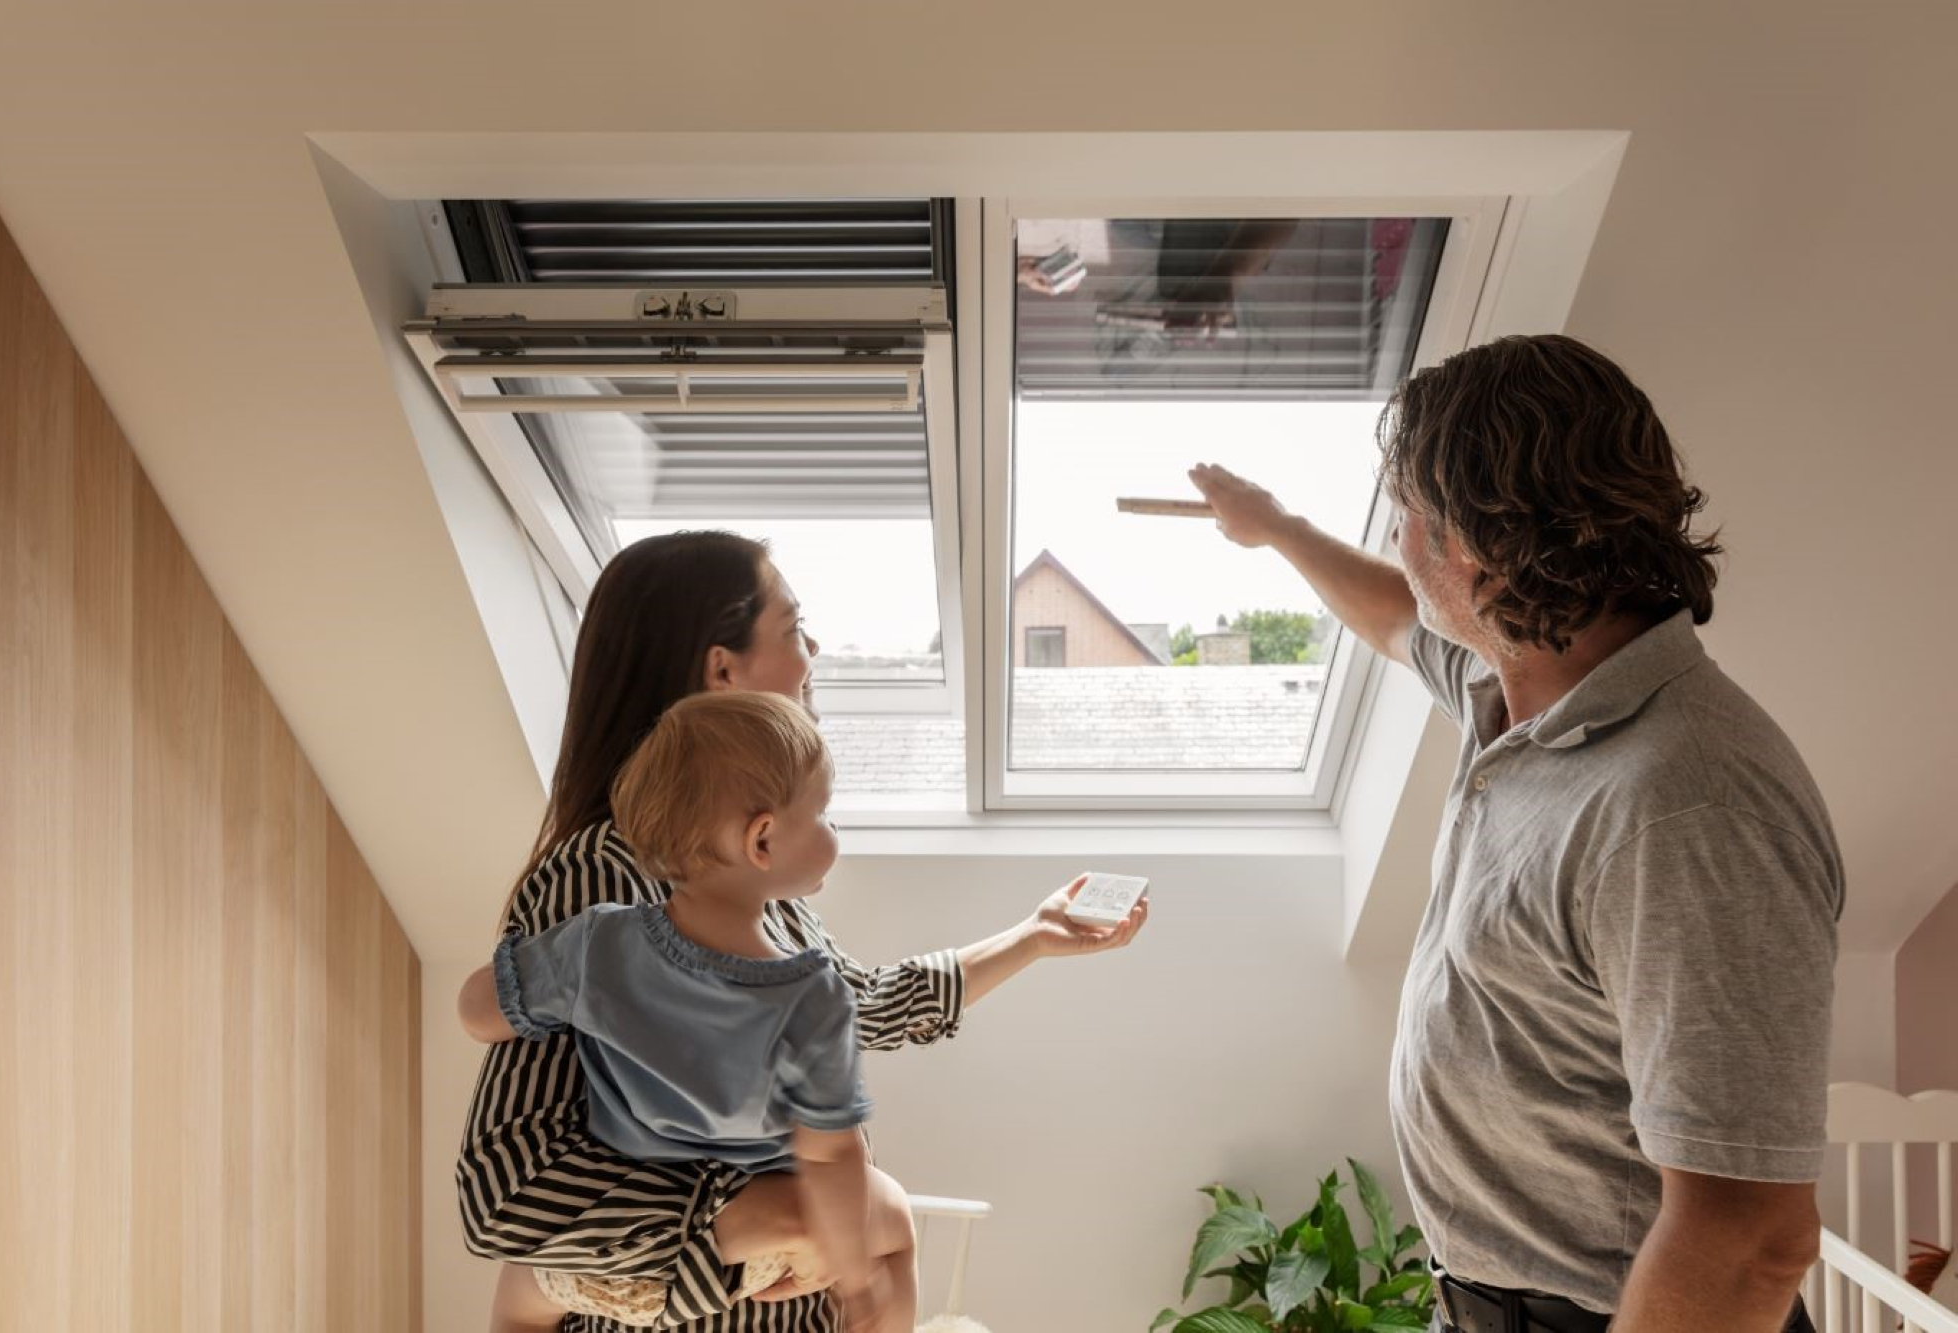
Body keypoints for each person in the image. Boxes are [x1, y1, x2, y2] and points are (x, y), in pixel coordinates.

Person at [1189, 333, 1838, 1333]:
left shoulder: (1684, 801)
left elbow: (1749, 1236)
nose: (1399, 544)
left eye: (1405, 514)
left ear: (1477, 550)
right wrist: (1275, 528)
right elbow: (1389, 615)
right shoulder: (1518, 694)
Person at [455, 530, 1149, 1333]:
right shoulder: (605, 876)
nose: (814, 649)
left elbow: (867, 1004)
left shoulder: (749, 888)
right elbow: (509, 1186)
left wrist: (1032, 936)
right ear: (722, 670)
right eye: (793, 629)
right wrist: (774, 1218)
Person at [460, 692, 915, 1333]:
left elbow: (482, 1010)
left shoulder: (596, 942)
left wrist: (522, 1006)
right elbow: (830, 1158)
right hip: (746, 1255)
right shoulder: (811, 998)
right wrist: (856, 1273)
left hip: (611, 1260)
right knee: (896, 1230)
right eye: (823, 814)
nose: (832, 831)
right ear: (762, 839)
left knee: (516, 1297)